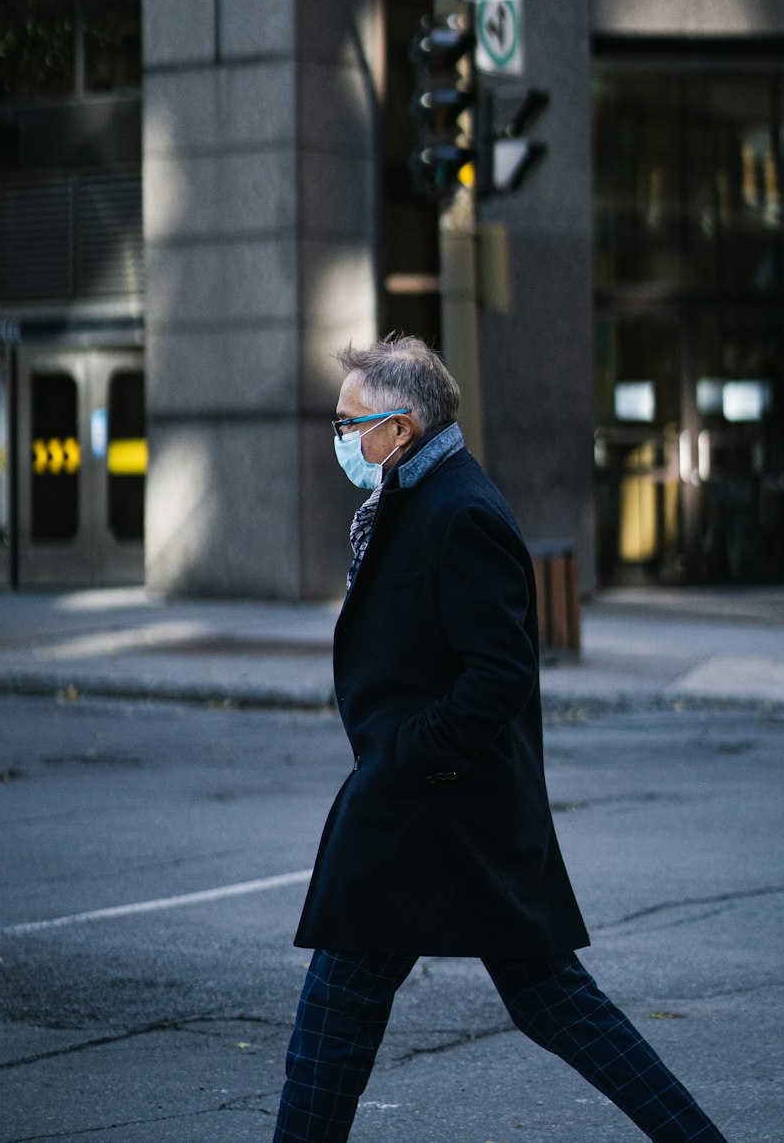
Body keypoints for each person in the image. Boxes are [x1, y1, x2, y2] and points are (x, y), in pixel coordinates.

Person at [273, 335, 731, 1143]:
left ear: (402, 426)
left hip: (434, 808)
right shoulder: (413, 495)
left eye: (350, 423)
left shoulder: (461, 510)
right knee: (520, 998)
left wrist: (410, 756)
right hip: (433, 811)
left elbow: (501, 673)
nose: (338, 438)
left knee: (350, 1015)